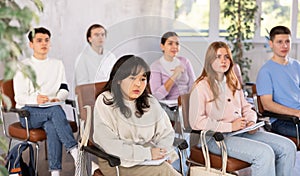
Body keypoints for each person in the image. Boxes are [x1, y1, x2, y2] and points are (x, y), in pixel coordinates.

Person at [189, 41, 296, 176]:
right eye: (218, 57)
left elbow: (246, 107)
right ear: (210, 60)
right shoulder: (201, 86)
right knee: (264, 154)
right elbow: (196, 122)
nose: (223, 60)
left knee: (288, 147)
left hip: (242, 131)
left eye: (226, 57)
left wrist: (251, 121)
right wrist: (230, 126)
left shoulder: (232, 82)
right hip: (216, 138)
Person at [93, 55, 181, 176]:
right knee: (163, 171)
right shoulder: (105, 101)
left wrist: (161, 152)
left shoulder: (150, 102)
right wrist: (147, 154)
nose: (138, 84)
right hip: (116, 162)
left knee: (168, 166)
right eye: (132, 78)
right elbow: (109, 144)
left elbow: (166, 133)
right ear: (118, 79)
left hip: (148, 160)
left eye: (142, 79)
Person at [13, 27, 78, 176]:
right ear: (31, 44)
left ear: (50, 43)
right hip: (28, 113)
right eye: (39, 40)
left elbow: (64, 88)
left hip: (50, 110)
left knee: (51, 125)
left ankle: (55, 172)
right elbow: (19, 97)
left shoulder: (57, 64)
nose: (44, 43)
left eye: (47, 40)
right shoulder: (23, 66)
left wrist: (59, 98)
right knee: (55, 111)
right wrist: (35, 99)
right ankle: (75, 151)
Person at [256, 26, 300, 138]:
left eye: (287, 41)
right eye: (279, 42)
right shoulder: (265, 71)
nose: (284, 46)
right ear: (271, 44)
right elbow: (267, 105)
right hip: (282, 121)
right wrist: (296, 112)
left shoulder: (296, 65)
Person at [150, 31, 196, 121]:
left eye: (177, 44)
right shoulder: (155, 66)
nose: (174, 47)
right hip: (170, 108)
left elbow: (193, 85)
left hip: (187, 103)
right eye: (170, 43)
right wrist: (174, 76)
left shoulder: (185, 61)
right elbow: (157, 96)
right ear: (162, 46)